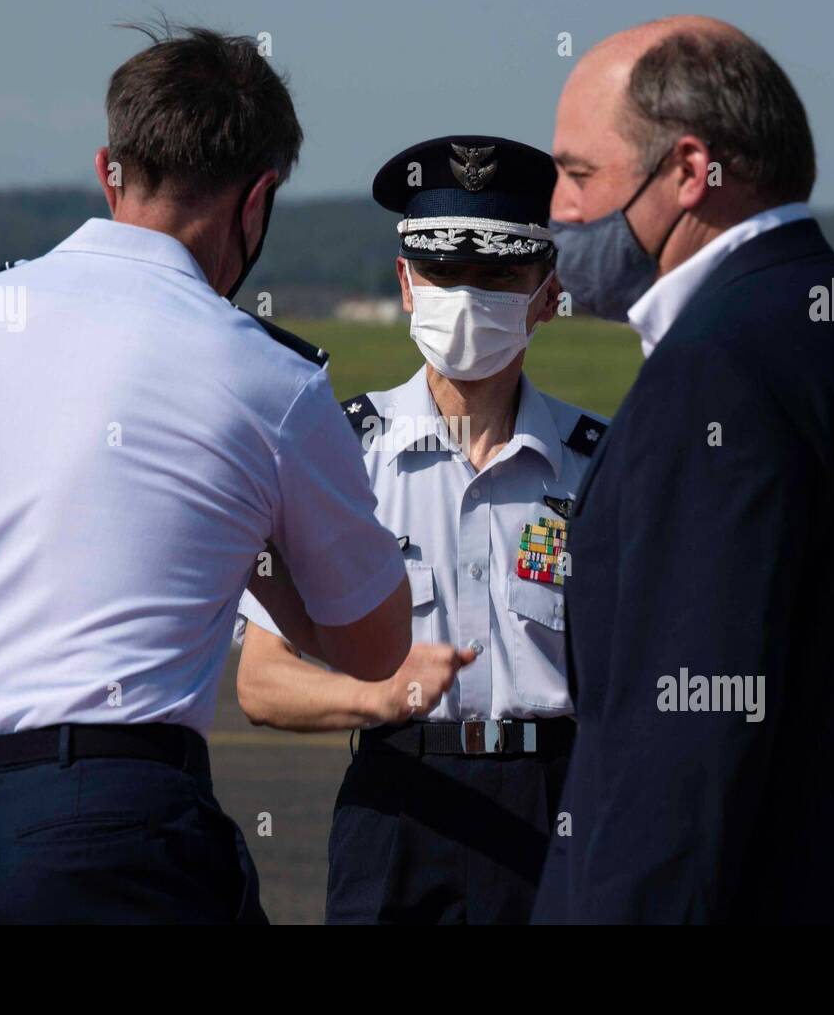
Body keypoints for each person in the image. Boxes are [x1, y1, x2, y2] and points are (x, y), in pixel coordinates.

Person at [0, 24, 412, 927]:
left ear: (109, 170)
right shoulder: (273, 380)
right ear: (258, 198)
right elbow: (373, 649)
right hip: (112, 827)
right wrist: (252, 544)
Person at [533, 16, 834, 924]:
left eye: (578, 173)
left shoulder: (715, 367)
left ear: (687, 170)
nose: (558, 208)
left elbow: (680, 751)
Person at [234, 136, 607, 924]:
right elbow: (262, 683)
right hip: (399, 803)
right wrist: (381, 693)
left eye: (498, 275)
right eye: (441, 273)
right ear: (406, 283)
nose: (465, 297)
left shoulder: (605, 465)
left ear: (547, 293)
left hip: (558, 809)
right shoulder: (338, 453)